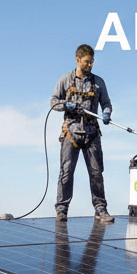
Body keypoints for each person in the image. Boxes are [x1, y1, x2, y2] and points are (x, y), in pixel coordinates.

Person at [50, 45, 113, 223]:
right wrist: (65, 105)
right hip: (71, 132)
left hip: (92, 133)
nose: (90, 65)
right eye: (87, 62)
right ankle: (61, 210)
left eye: (92, 61)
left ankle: (100, 209)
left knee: (96, 173)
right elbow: (53, 102)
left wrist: (106, 113)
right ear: (78, 60)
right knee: (66, 172)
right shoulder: (65, 80)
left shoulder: (98, 82)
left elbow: (106, 103)